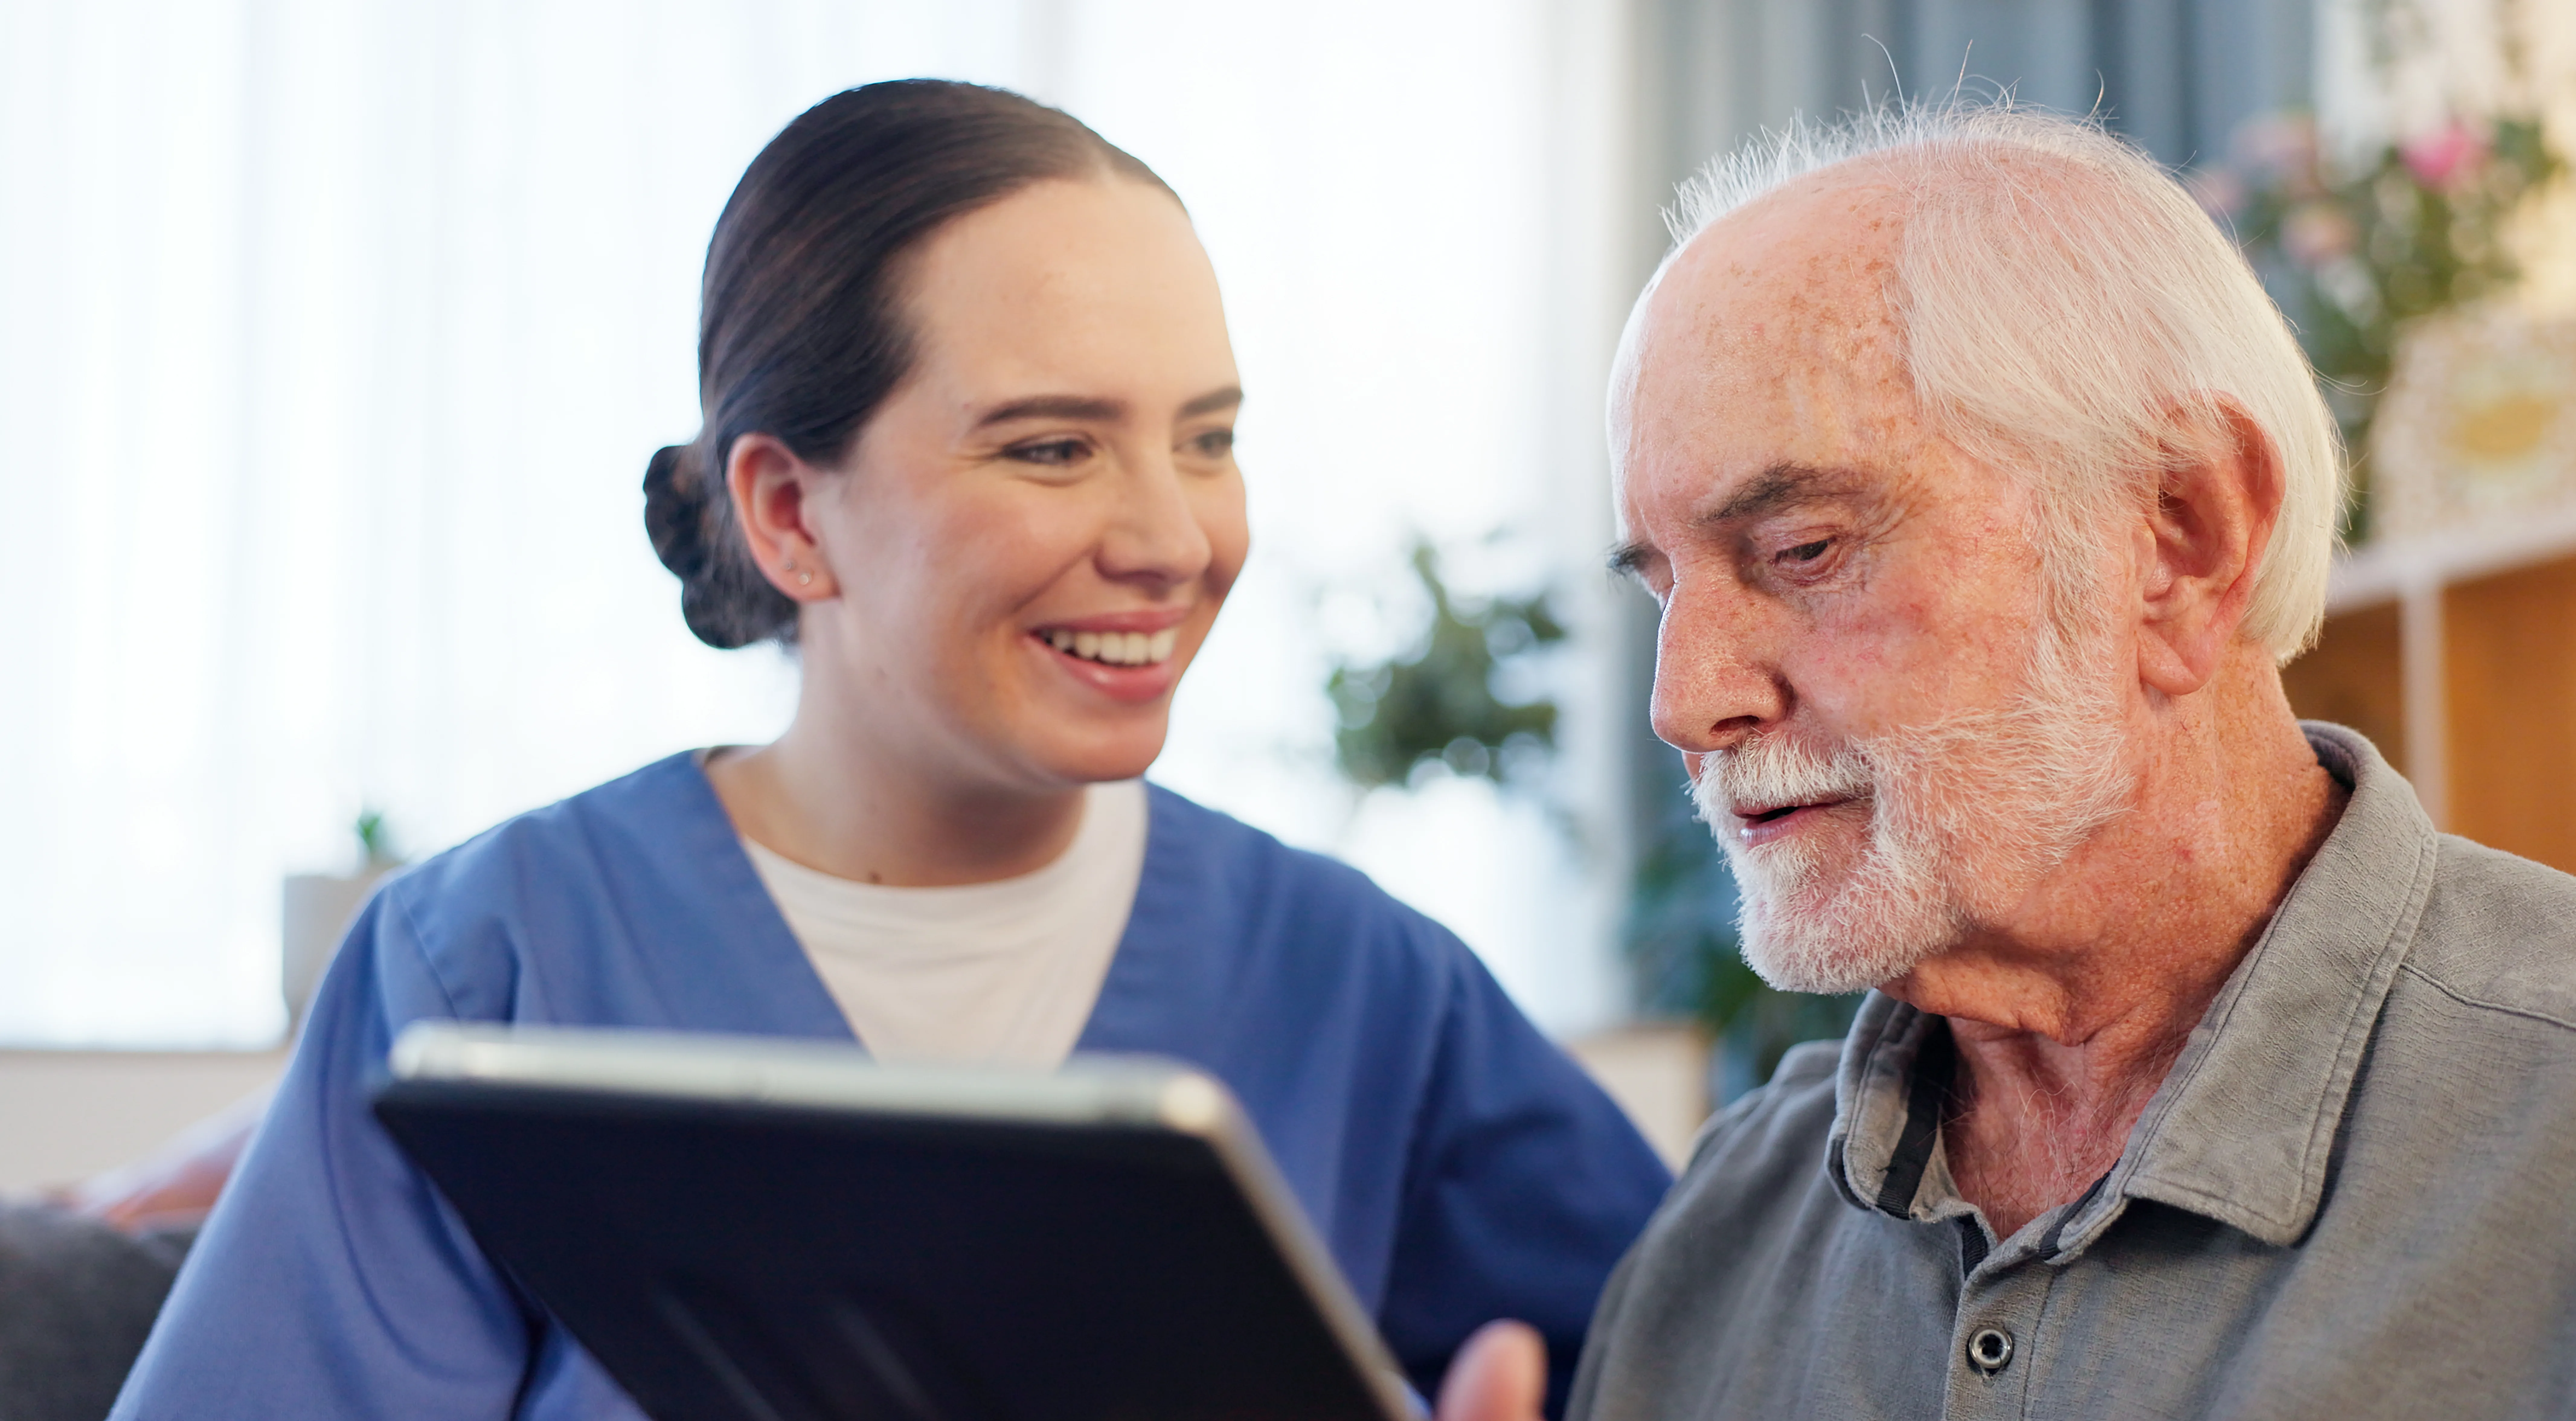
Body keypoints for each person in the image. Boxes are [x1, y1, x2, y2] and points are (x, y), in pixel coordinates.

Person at [112, 80, 1669, 1420]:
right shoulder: (487, 963)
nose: (1172, 536)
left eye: (1207, 437)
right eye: (1052, 446)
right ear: (791, 513)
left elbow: (1714, 1340)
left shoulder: (1356, 983)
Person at [1440, 100, 2576, 1421]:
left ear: (2179, 538)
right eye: (1660, 591)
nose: (1684, 701)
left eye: (1802, 551)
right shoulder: (1719, 1237)